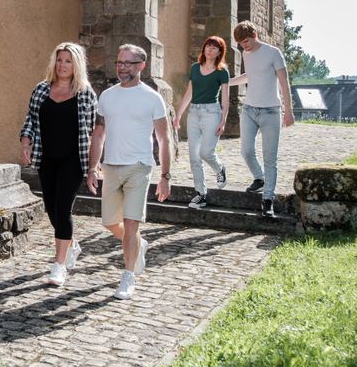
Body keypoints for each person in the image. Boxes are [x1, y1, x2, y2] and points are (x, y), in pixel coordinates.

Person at [86, 43, 171, 300]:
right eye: (119, 62)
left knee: (132, 223)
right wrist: (92, 167)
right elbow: (99, 133)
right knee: (110, 222)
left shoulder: (152, 98)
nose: (122, 67)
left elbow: (164, 139)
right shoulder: (107, 96)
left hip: (139, 167)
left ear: (141, 66)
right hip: (111, 166)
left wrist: (165, 176)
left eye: (128, 63)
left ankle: (128, 276)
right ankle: (138, 245)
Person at [19, 42, 98, 286]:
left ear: (77, 65)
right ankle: (71, 244)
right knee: (52, 210)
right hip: (46, 158)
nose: (63, 65)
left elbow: (94, 131)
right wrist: (25, 141)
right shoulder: (42, 89)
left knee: (63, 210)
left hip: (73, 160)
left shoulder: (85, 93)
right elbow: (31, 119)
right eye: (60, 60)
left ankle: (59, 265)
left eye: (68, 61)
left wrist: (94, 166)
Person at [228, 20, 295, 217]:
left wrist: (288, 111)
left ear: (254, 35)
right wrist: (228, 82)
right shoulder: (245, 54)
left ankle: (267, 199)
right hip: (249, 109)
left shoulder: (273, 53)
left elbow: (284, 82)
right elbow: (250, 75)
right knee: (246, 150)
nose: (244, 46)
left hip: (271, 112)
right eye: (241, 44)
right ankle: (259, 177)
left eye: (246, 41)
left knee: (270, 158)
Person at [173, 35, 230, 208]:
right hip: (194, 113)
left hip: (211, 113)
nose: (210, 49)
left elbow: (225, 99)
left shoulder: (222, 72)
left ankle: (220, 169)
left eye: (214, 47)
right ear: (204, 48)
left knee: (206, 152)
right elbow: (189, 92)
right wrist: (178, 115)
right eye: (208, 46)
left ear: (219, 52)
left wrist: (223, 120)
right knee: (194, 156)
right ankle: (201, 194)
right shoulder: (195, 68)